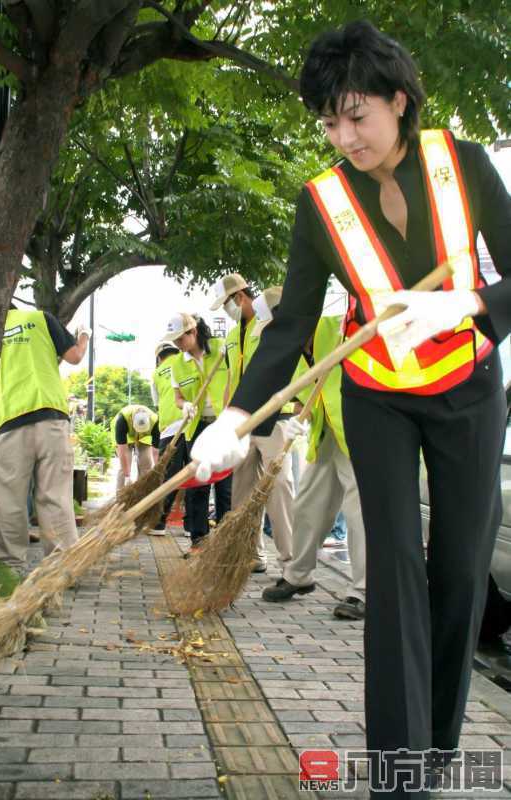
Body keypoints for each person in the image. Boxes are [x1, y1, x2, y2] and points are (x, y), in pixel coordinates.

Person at [191, 20, 510, 799]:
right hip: (376, 398)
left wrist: (472, 305)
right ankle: (399, 781)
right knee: (395, 569)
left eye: (356, 114)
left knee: (462, 574)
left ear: (399, 101)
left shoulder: (461, 164)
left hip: (469, 391)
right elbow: (291, 325)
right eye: (329, 121)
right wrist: (236, 419)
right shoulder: (321, 201)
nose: (344, 135)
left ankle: (433, 754)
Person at [261, 316, 366, 621]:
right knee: (308, 503)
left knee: (359, 511)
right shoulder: (294, 354)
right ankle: (298, 575)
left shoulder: (336, 328)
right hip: (325, 434)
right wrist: (297, 421)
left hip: (358, 430)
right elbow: (302, 398)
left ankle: (363, 591)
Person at [211, 278, 307, 573]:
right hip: (241, 421)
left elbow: (294, 364)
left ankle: (291, 559)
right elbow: (230, 378)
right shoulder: (230, 336)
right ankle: (250, 555)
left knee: (279, 486)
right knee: (242, 491)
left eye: (227, 304)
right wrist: (225, 421)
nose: (226, 310)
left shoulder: (269, 323)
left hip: (274, 417)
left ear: (240, 296)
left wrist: (300, 404)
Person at [0, 305, 90, 574]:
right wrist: (84, 335)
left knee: (9, 501)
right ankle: (63, 569)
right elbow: (75, 357)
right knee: (55, 497)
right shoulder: (40, 317)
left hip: (8, 421)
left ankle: (10, 569)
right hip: (51, 418)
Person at [165, 312, 231, 554]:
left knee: (225, 484)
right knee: (197, 484)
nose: (177, 345)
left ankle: (225, 541)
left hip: (224, 423)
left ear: (193, 332)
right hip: (198, 427)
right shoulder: (177, 364)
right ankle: (198, 541)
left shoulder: (222, 348)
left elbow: (236, 378)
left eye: (179, 339)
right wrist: (186, 406)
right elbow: (178, 399)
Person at [150, 340, 185, 536]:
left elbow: (156, 402)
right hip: (192, 421)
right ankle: (193, 527)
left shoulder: (155, 374)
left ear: (158, 358)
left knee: (168, 476)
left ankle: (159, 523)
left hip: (170, 428)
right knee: (195, 474)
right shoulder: (184, 361)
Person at [113, 404, 159, 492]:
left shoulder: (155, 421)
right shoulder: (122, 420)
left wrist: (158, 470)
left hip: (145, 436)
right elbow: (123, 452)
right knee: (125, 466)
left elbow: (156, 451)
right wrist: (127, 476)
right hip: (127, 435)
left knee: (146, 464)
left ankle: (141, 495)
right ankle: (120, 497)